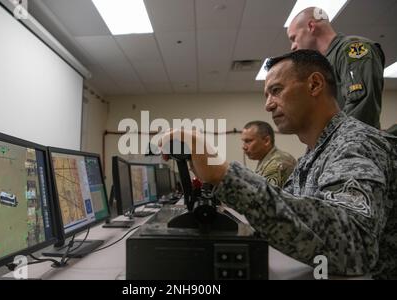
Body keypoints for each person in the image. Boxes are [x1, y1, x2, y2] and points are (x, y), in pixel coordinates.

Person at [160, 50, 397, 279]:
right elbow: (292, 218)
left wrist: (224, 175)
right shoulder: (313, 154)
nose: (268, 105)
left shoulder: (356, 143)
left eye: (276, 91)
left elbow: (354, 247)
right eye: (267, 95)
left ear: (314, 85)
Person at [287, 7, 385, 129]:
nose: (293, 47)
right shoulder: (322, 65)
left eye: (293, 38)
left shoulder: (352, 48)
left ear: (311, 26)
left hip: (354, 144)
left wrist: (330, 143)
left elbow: (362, 108)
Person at [241, 121, 296, 187]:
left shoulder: (278, 162)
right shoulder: (266, 160)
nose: (244, 147)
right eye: (244, 141)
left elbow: (265, 196)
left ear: (267, 141)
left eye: (248, 141)